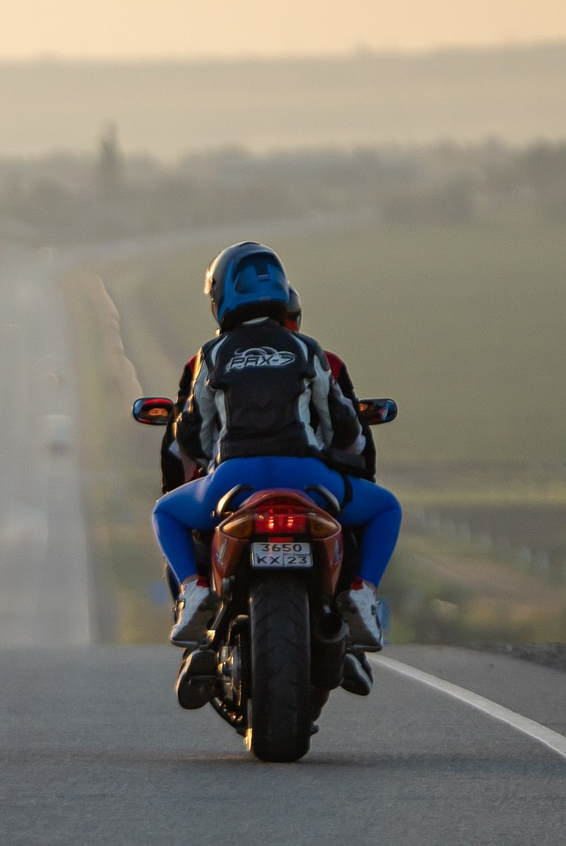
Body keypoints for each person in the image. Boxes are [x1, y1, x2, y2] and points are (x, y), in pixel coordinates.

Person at [152, 242, 402, 655]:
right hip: (306, 477)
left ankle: (194, 592)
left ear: (222, 295)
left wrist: (211, 458)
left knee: (164, 512)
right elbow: (342, 425)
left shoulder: (212, 355)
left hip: (234, 480)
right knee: (386, 507)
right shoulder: (307, 349)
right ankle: (362, 595)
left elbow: (192, 436)